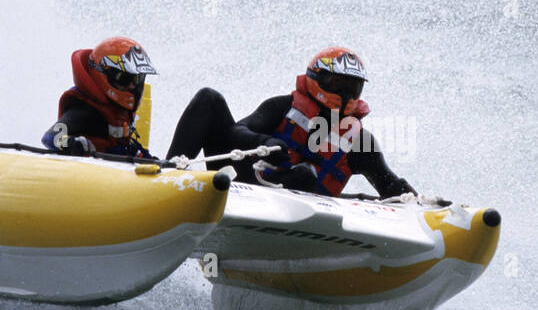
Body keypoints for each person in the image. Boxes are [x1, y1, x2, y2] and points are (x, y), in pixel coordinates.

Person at [166, 46, 416, 199]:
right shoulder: (283, 106)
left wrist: (422, 205)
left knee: (304, 176)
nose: (345, 94)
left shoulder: (359, 141)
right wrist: (265, 141)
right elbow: (235, 132)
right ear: (317, 79)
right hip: (245, 189)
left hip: (308, 219)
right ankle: (165, 179)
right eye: (337, 84)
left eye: (353, 87)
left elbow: (390, 187)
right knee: (209, 99)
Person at [42, 37, 160, 159]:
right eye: (124, 78)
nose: (132, 86)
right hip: (84, 172)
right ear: (103, 75)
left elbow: (119, 147)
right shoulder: (84, 110)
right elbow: (50, 137)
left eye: (137, 79)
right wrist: (72, 143)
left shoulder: (119, 110)